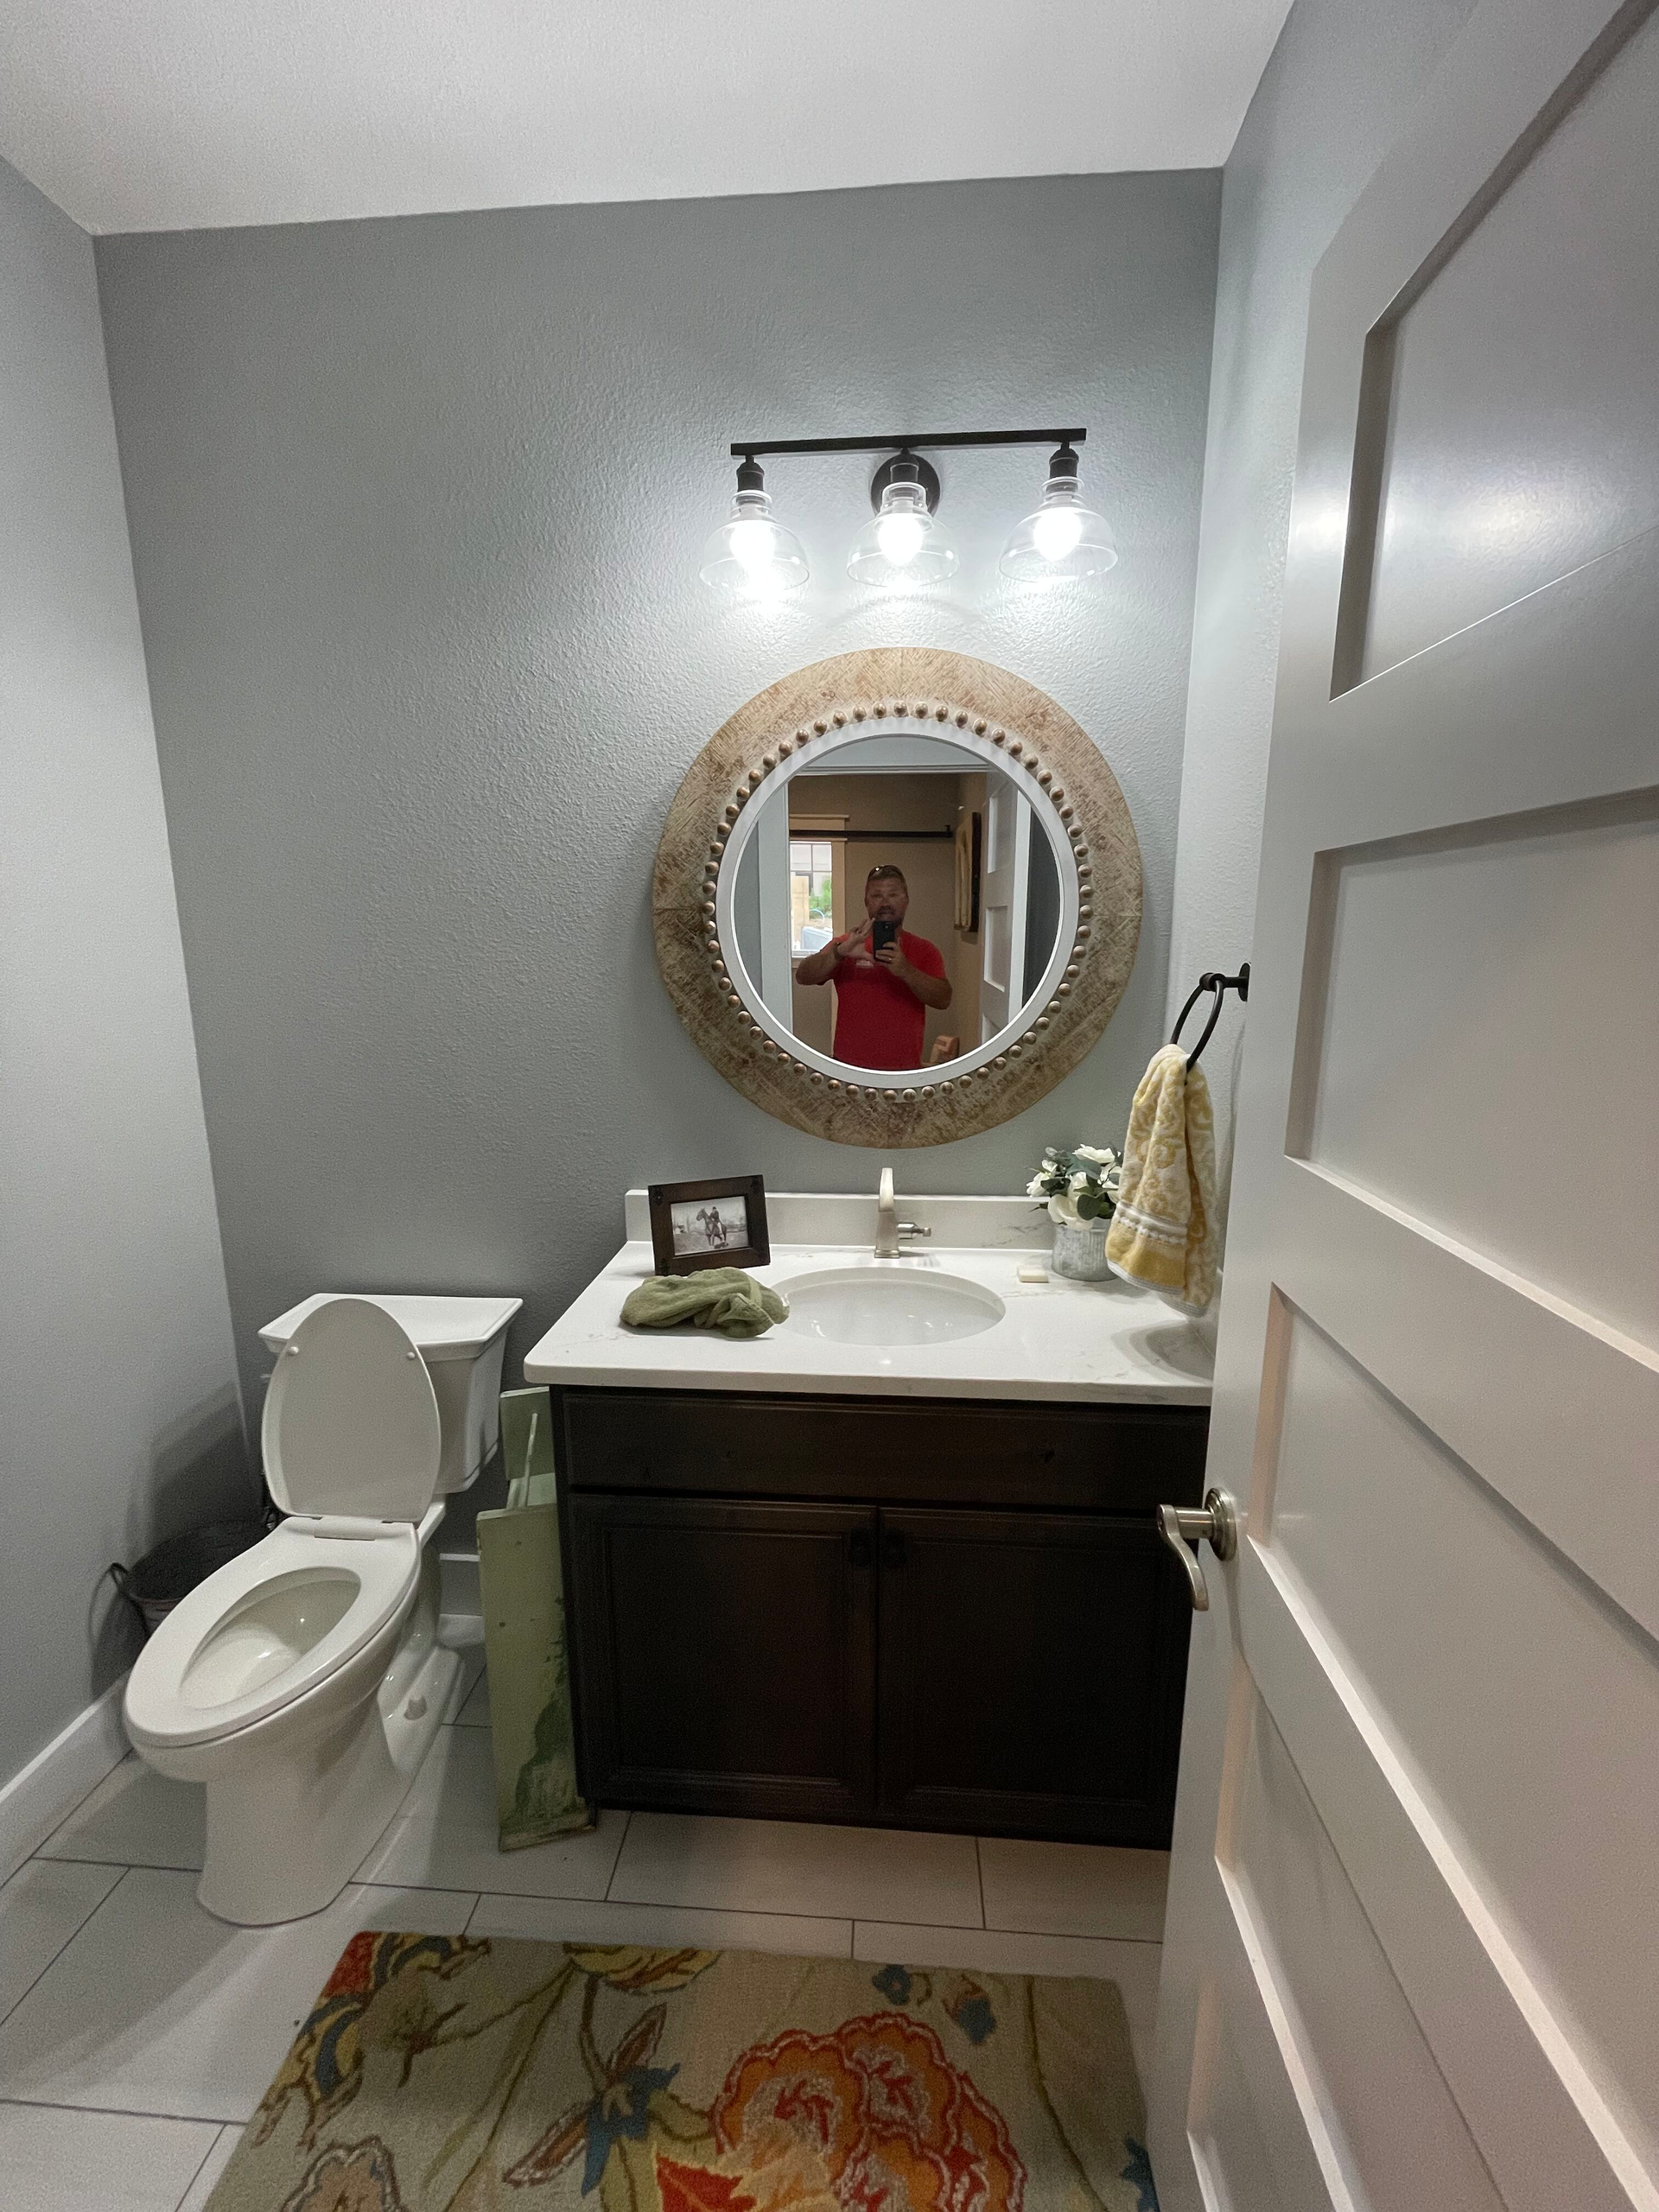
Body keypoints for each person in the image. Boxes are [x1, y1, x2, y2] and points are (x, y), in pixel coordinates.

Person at [794, 863, 952, 1069]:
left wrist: (906, 971)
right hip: (848, 1068)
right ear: (867, 903)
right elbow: (804, 976)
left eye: (893, 895)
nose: (885, 903)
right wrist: (839, 953)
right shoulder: (847, 944)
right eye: (877, 895)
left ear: (906, 901)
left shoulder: (924, 950)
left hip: (904, 1070)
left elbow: (943, 999)